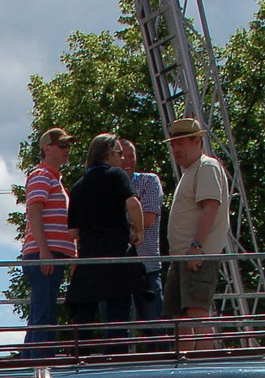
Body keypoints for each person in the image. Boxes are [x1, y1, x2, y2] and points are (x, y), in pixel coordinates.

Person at [65, 134, 145, 353]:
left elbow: (73, 231)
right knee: (117, 310)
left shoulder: (79, 186)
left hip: (89, 254)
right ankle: (115, 359)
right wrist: (139, 230)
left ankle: (78, 359)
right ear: (108, 153)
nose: (122, 159)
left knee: (84, 313)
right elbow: (133, 203)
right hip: (115, 250)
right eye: (119, 153)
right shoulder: (117, 175)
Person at [164, 116, 231, 351]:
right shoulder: (191, 171)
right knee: (178, 314)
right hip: (182, 256)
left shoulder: (207, 166)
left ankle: (206, 368)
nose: (175, 149)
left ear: (197, 142)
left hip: (197, 254)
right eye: (172, 144)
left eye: (181, 143)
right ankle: (185, 368)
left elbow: (210, 207)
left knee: (197, 311)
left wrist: (197, 246)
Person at [20, 127, 77, 358]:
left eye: (68, 145)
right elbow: (34, 211)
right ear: (47, 148)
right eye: (62, 146)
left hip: (50, 254)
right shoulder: (42, 175)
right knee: (44, 315)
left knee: (41, 313)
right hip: (44, 254)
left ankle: (30, 365)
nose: (67, 150)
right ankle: (40, 367)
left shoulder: (53, 178)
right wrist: (44, 250)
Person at [119, 139, 164, 329]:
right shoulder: (106, 185)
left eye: (132, 156)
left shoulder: (149, 180)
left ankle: (163, 358)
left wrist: (121, 223)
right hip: (116, 267)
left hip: (147, 265)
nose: (128, 161)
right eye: (122, 157)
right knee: (116, 328)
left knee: (154, 326)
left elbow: (148, 219)